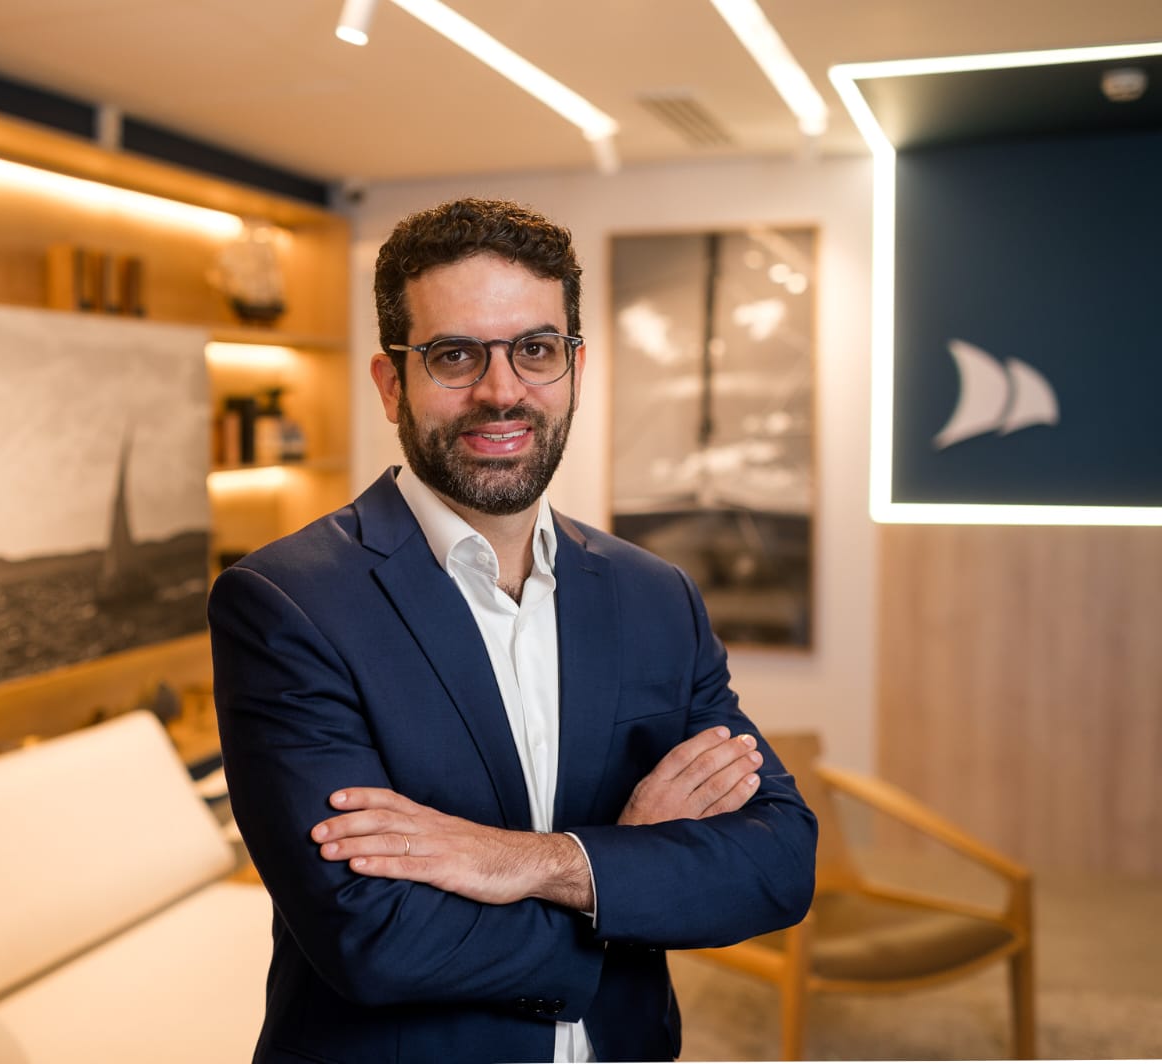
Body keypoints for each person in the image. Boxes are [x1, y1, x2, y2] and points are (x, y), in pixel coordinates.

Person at [208, 198, 816, 1064]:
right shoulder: (286, 602)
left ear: (574, 368)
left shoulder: (655, 596)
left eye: (535, 350)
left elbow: (778, 862)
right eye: (456, 355)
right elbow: (372, 936)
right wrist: (629, 873)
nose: (502, 391)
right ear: (392, 384)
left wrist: (533, 862)